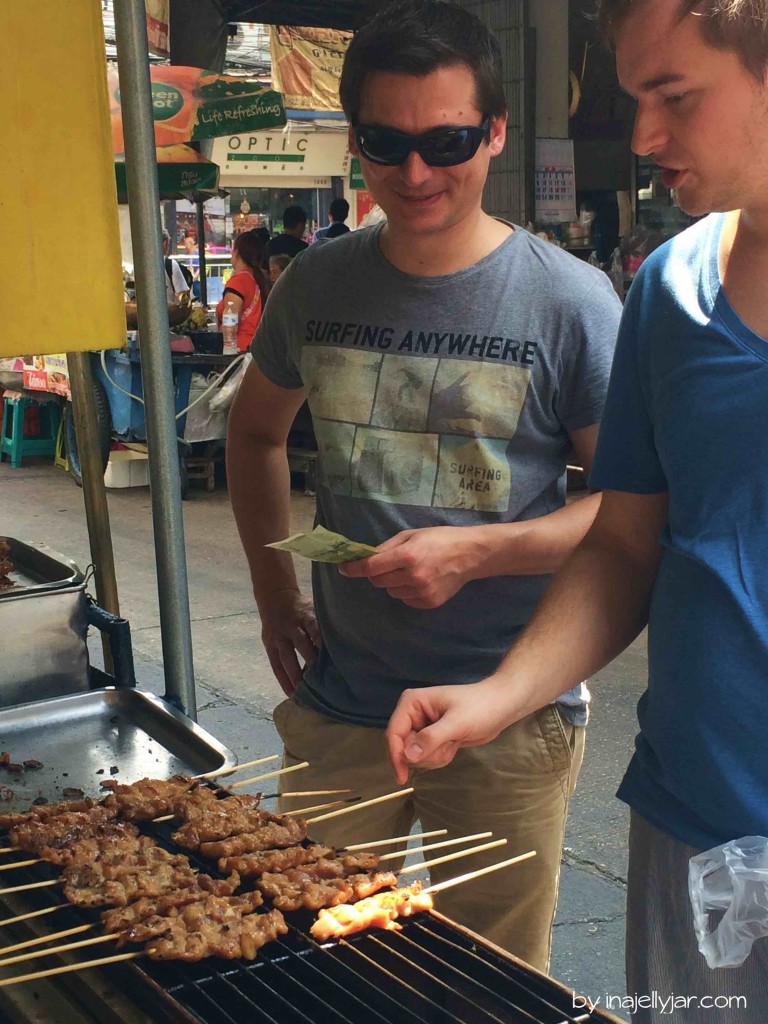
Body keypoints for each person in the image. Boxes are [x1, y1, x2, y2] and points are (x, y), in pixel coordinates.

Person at [386, 0, 768, 1017]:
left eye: (674, 96)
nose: (643, 138)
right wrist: (500, 695)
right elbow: (625, 547)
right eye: (636, 97)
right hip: (696, 825)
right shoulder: (672, 292)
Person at [226, 0, 621, 970]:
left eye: (446, 141)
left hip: (510, 713)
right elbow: (254, 434)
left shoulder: (569, 303)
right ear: (355, 138)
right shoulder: (315, 286)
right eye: (385, 143)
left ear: (494, 131)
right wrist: (277, 599)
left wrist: (479, 550)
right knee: (308, 965)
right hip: (345, 702)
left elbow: (632, 505)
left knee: (488, 982)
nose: (415, 174)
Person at [216, 233, 270, 353]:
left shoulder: (239, 281)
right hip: (256, 350)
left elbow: (231, 317)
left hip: (240, 352)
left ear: (237, 252)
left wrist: (228, 350)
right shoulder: (258, 279)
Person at [161, 229, 191, 304]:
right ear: (165, 243)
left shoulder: (139, 267)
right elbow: (183, 295)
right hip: (169, 314)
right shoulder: (170, 264)